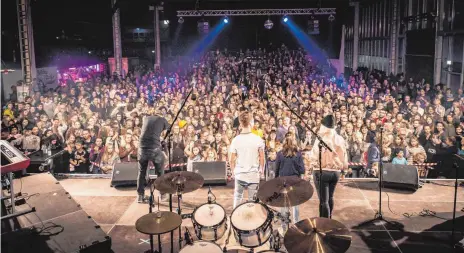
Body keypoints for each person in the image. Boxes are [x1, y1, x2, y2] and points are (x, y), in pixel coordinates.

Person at [310, 115, 348, 219]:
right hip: (335, 173)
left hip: (322, 172)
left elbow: (314, 156)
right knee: (330, 197)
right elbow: (344, 158)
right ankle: (329, 218)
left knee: (323, 201)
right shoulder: (340, 139)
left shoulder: (320, 139)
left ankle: (325, 224)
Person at [229, 109, 265, 209]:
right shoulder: (258, 139)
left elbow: (231, 160)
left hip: (239, 174)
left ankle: (235, 220)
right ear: (251, 122)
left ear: (240, 123)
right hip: (253, 174)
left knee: (237, 197)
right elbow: (262, 158)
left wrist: (233, 172)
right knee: (252, 201)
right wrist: (261, 171)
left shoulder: (236, 140)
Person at [137, 109, 169, 203]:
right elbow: (168, 130)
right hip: (154, 149)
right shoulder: (162, 119)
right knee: (160, 172)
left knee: (141, 172)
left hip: (141, 149)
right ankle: (162, 194)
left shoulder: (146, 118)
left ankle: (140, 196)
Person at [275, 134, 305, 231]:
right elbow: (302, 169)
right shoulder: (298, 154)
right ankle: (296, 225)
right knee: (295, 204)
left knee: (284, 204)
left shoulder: (280, 154)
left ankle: (284, 227)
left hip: (283, 181)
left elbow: (276, 169)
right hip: (295, 181)